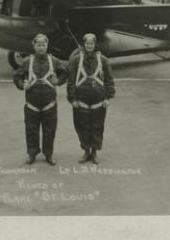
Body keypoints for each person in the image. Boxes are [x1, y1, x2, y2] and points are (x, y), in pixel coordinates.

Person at [13, 34, 64, 166]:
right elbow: (17, 77)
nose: (41, 47)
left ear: (47, 45)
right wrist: (22, 85)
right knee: (31, 129)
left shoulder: (54, 61)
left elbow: (65, 72)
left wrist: (58, 81)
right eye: (38, 45)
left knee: (50, 130)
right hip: (32, 104)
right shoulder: (27, 62)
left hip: (50, 103)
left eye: (43, 45)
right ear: (34, 46)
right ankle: (32, 153)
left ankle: (49, 154)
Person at [66, 33, 114, 165]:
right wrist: (73, 99)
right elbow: (71, 81)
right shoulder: (76, 60)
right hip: (80, 101)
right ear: (83, 44)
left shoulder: (103, 60)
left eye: (92, 43)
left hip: (99, 101)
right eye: (87, 43)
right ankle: (86, 151)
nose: (89, 46)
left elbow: (109, 80)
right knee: (83, 127)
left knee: (97, 127)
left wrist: (108, 97)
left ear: (95, 44)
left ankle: (94, 152)